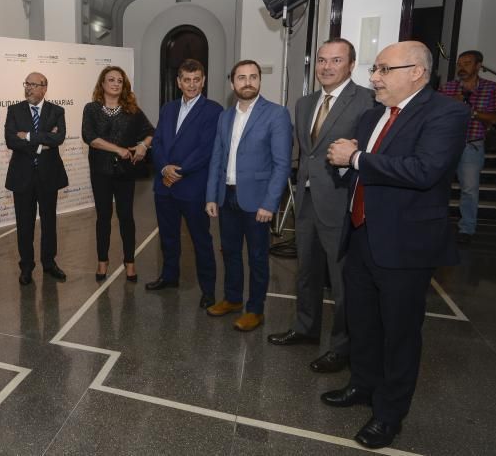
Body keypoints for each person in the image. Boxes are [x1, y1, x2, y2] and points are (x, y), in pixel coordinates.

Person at [325, 41, 469, 450]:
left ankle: (389, 414)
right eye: (376, 69)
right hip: (361, 236)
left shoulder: (447, 113)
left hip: (405, 246)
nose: (374, 77)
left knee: (400, 333)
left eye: (385, 70)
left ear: (416, 73)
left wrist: (353, 160)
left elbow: (425, 170)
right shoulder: (374, 115)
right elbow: (357, 170)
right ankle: (363, 386)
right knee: (364, 324)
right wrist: (342, 166)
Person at [268, 38, 374, 373]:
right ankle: (305, 328)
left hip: (342, 202)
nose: (327, 67)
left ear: (351, 64)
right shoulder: (304, 102)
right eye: (322, 60)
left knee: (341, 279)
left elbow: (367, 153)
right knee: (307, 270)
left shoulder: (367, 101)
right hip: (307, 199)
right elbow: (308, 153)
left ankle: (342, 346)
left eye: (336, 60)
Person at [205, 60, 293, 331]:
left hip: (257, 201)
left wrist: (270, 203)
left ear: (259, 81)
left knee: (257, 256)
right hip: (227, 196)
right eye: (241, 78)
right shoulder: (225, 116)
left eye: (253, 77)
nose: (247, 82)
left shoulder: (276, 114)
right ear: (233, 83)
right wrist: (211, 195)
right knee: (230, 251)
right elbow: (217, 157)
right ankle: (232, 299)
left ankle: (255, 309)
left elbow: (282, 163)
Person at [146, 59, 222, 307]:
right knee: (168, 237)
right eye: (186, 80)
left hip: (192, 187)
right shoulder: (168, 108)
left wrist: (180, 170)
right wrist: (164, 167)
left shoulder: (213, 110)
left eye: (196, 79)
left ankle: (208, 290)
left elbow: (206, 149)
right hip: (164, 187)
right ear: (178, 82)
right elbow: (157, 142)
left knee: (201, 240)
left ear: (203, 81)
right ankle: (170, 277)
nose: (191, 84)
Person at [81, 66, 154, 282]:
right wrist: (118, 149)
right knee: (103, 218)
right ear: (102, 84)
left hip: (125, 172)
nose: (115, 84)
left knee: (126, 218)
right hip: (100, 172)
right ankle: (102, 261)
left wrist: (143, 146)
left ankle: (129, 262)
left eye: (119, 81)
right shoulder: (91, 109)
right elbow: (90, 137)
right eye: (110, 80)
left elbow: (151, 132)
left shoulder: (132, 110)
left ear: (124, 86)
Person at [4, 72, 69, 285]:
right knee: (24, 224)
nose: (29, 88)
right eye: (26, 84)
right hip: (22, 176)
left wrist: (30, 137)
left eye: (34, 84)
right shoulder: (14, 110)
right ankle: (26, 266)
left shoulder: (57, 111)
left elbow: (58, 138)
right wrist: (43, 142)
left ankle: (49, 263)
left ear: (44, 88)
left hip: (49, 175)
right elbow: (11, 141)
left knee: (49, 222)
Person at [440, 50, 496, 244]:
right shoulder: (448, 88)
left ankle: (467, 229)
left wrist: (470, 111)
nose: (462, 67)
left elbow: (495, 118)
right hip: (446, 146)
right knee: (439, 186)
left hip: (472, 145)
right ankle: (436, 226)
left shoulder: (491, 88)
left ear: (478, 66)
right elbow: (435, 114)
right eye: (460, 63)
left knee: (469, 189)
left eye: (467, 63)